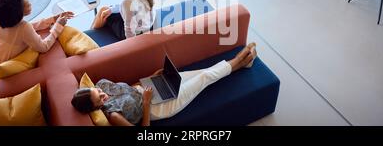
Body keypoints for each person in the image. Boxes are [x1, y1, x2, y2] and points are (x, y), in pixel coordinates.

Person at [71, 43, 257, 126]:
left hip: (148, 89)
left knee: (200, 72)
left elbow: (128, 87)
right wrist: (145, 102)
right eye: (99, 100)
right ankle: (239, 60)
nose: (102, 94)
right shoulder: (113, 117)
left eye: (97, 91)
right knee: (204, 78)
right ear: (95, 108)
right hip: (158, 107)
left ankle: (242, 65)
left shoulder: (103, 84)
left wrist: (150, 78)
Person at [0, 0, 74, 81]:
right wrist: (58, 27)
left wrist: (53, 19)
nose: (30, 4)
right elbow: (44, 47)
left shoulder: (1, 20)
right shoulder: (23, 27)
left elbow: (23, 29)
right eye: (27, 5)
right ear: (17, 12)